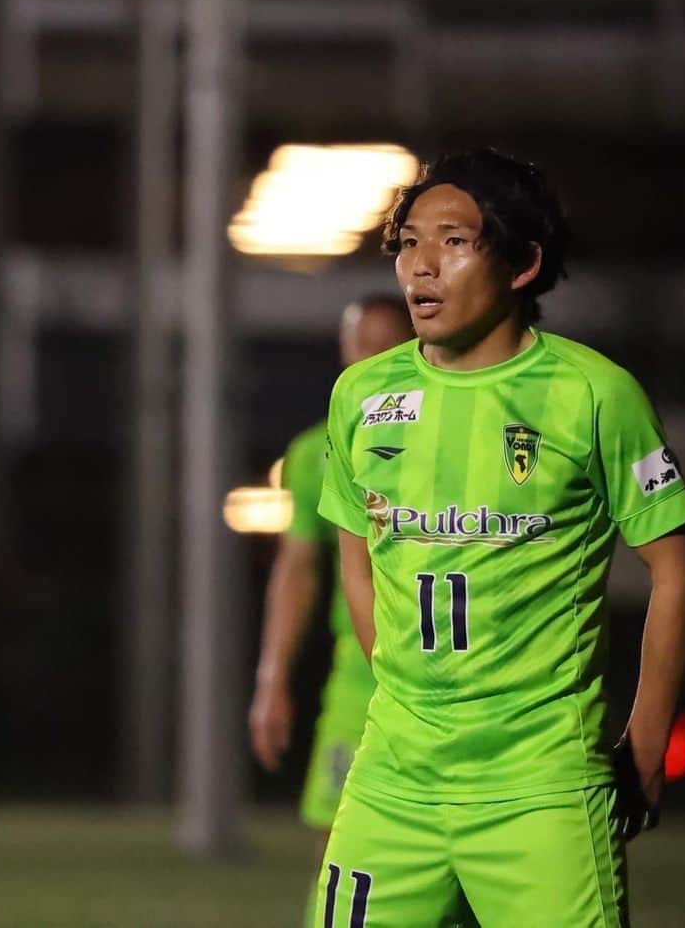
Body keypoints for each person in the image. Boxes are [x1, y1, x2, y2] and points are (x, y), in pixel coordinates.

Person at [315, 149, 685, 927]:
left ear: (524, 261)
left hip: (540, 784)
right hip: (395, 779)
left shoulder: (593, 394)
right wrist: (408, 702)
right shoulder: (362, 394)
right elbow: (357, 561)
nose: (420, 268)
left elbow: (679, 571)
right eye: (408, 242)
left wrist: (648, 740)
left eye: (454, 242)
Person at [249, 295, 414, 926]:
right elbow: (297, 571)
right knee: (339, 849)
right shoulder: (314, 451)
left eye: (383, 344)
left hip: (445, 672)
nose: (367, 358)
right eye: (356, 344)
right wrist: (273, 680)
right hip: (358, 679)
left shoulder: (446, 438)